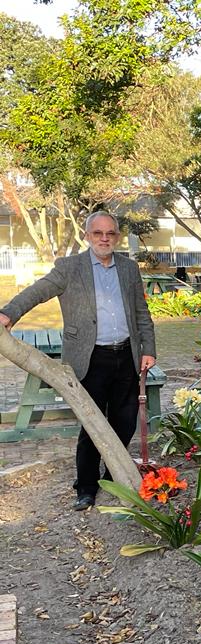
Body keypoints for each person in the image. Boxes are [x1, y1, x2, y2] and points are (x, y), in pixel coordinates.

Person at [0, 211, 157, 511]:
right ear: (87, 236)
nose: (104, 238)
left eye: (110, 233)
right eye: (98, 233)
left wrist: (148, 348)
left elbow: (141, 312)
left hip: (127, 355)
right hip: (89, 358)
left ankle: (113, 477)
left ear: (117, 236)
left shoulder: (129, 268)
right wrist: (9, 313)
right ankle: (86, 487)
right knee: (91, 425)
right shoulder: (69, 267)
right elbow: (38, 291)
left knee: (124, 423)